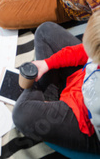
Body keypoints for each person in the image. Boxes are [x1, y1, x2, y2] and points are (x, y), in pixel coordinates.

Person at [12, 13, 100, 154]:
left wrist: (62, 106)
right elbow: (83, 52)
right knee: (45, 30)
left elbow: (90, 107)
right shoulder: (94, 53)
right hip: (83, 81)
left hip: (88, 123)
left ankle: (46, 99)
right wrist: (48, 63)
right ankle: (47, 97)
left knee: (22, 115)